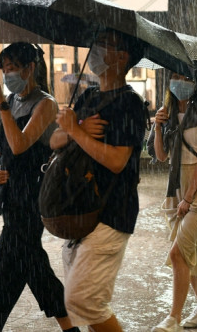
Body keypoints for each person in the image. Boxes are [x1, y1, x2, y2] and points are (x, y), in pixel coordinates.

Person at [0, 43, 79, 332]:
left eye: (13, 68)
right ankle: (69, 326)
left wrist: (1, 104)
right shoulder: (13, 100)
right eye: (4, 69)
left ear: (30, 68)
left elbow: (19, 145)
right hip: (10, 196)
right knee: (28, 265)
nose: (7, 74)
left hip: (31, 198)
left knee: (9, 269)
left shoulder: (45, 104)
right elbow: (2, 147)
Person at [50, 29, 147, 332]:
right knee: (84, 304)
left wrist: (76, 132)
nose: (95, 49)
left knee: (83, 300)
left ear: (122, 56)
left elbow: (118, 162)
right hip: (80, 207)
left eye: (104, 44)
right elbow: (55, 140)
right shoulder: (88, 95)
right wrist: (73, 127)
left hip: (111, 211)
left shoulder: (130, 104)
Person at [147, 69, 197, 331]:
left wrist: (188, 199)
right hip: (176, 189)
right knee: (190, 253)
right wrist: (157, 127)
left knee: (178, 253)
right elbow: (161, 156)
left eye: (186, 77)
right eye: (176, 76)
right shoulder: (165, 114)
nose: (180, 82)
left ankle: (173, 318)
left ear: (196, 83)